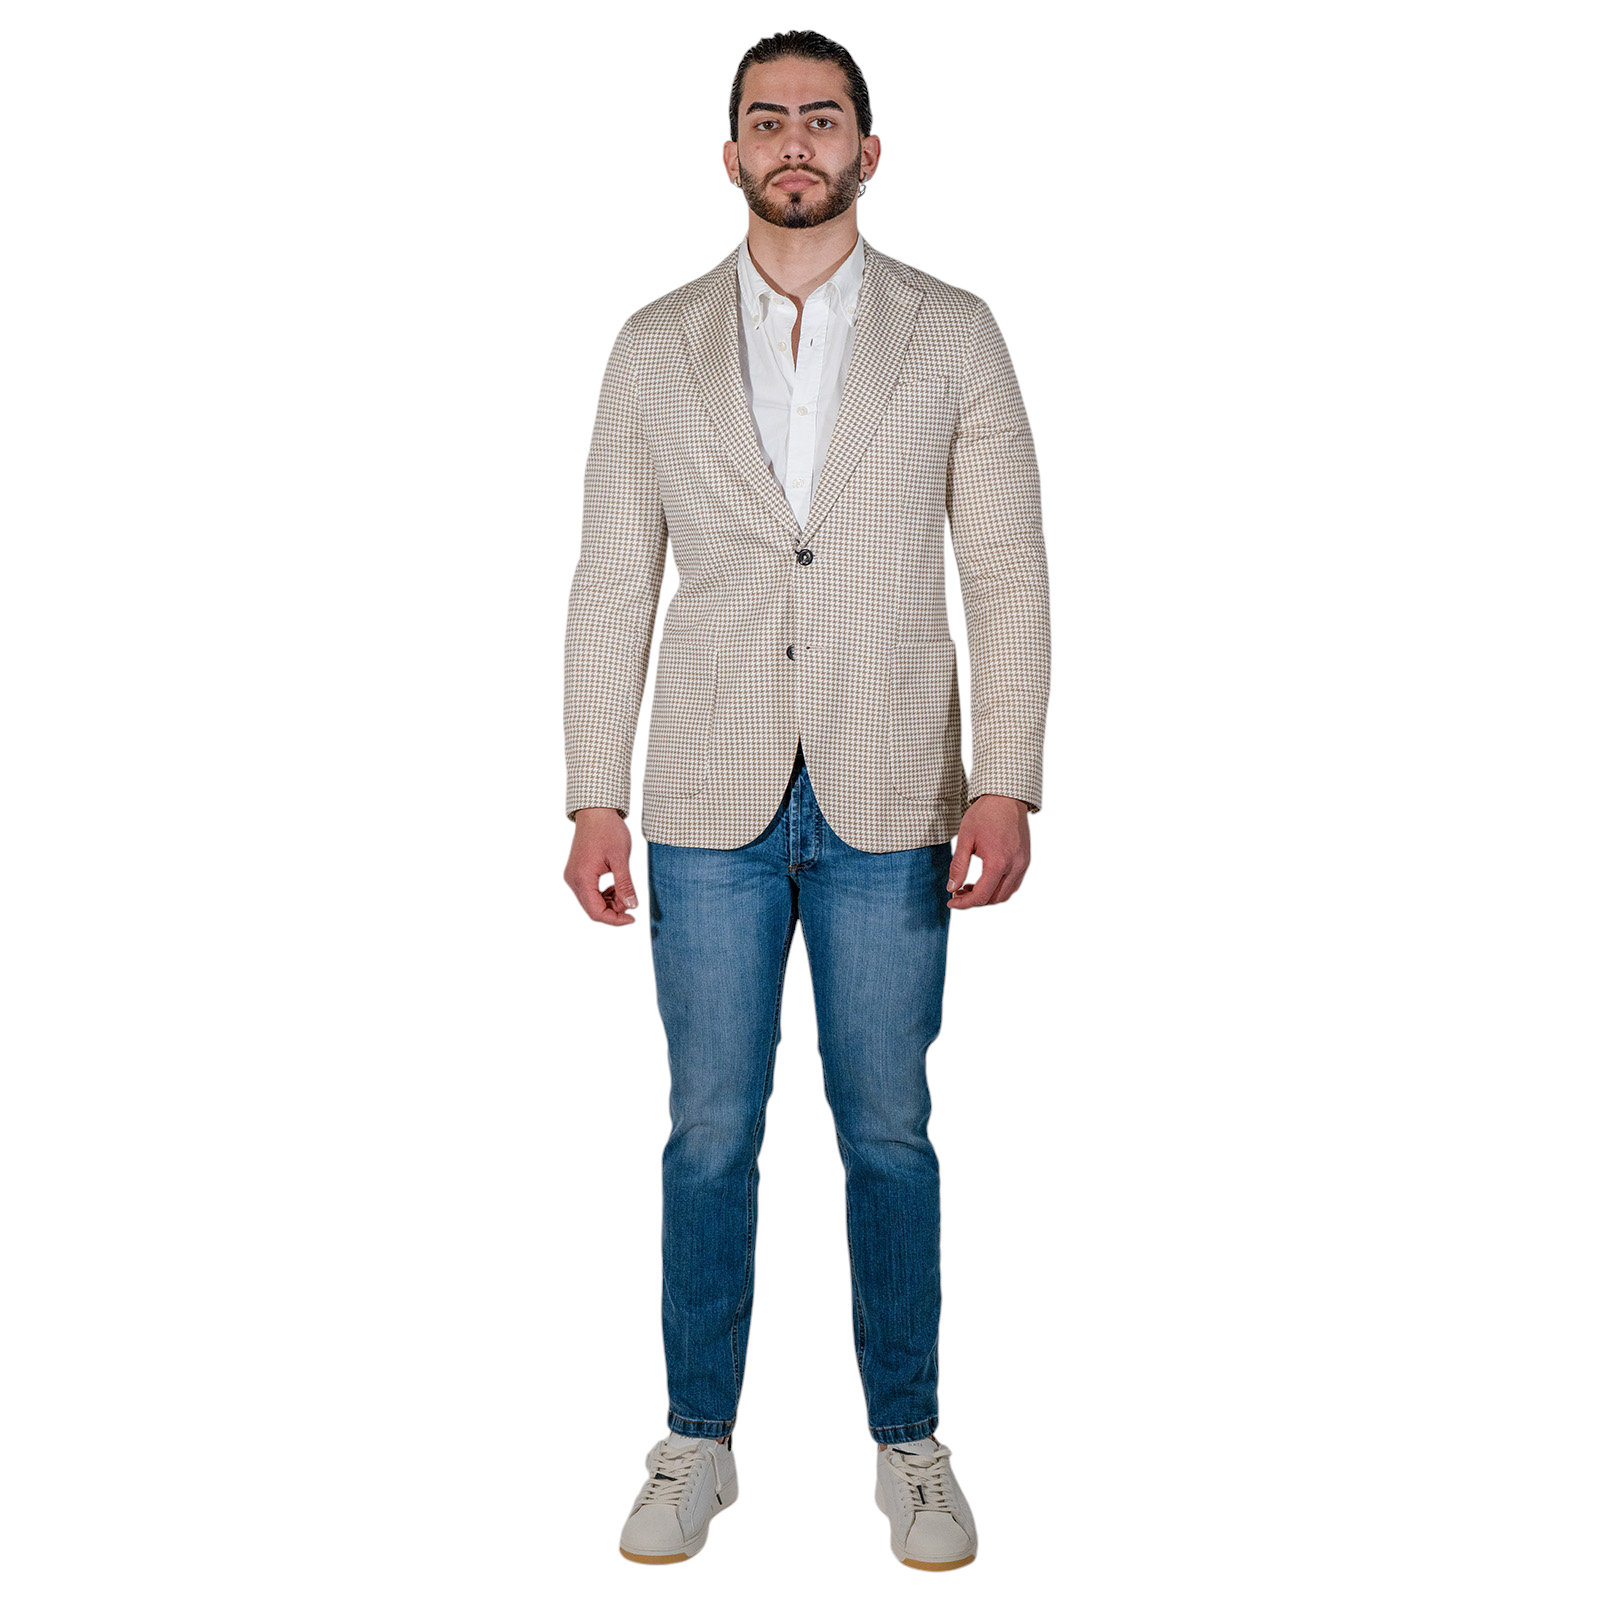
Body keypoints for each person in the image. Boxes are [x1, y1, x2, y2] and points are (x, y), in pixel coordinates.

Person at [562, 29, 1049, 1571]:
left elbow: (1007, 567)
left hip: (895, 789)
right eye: (767, 119)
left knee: (888, 1130)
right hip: (703, 794)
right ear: (730, 155)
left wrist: (1009, 777)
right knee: (709, 1130)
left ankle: (911, 1448)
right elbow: (613, 575)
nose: (795, 140)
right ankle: (696, 1441)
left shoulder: (952, 332)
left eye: (821, 118)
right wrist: (590, 794)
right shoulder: (654, 343)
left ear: (866, 150)